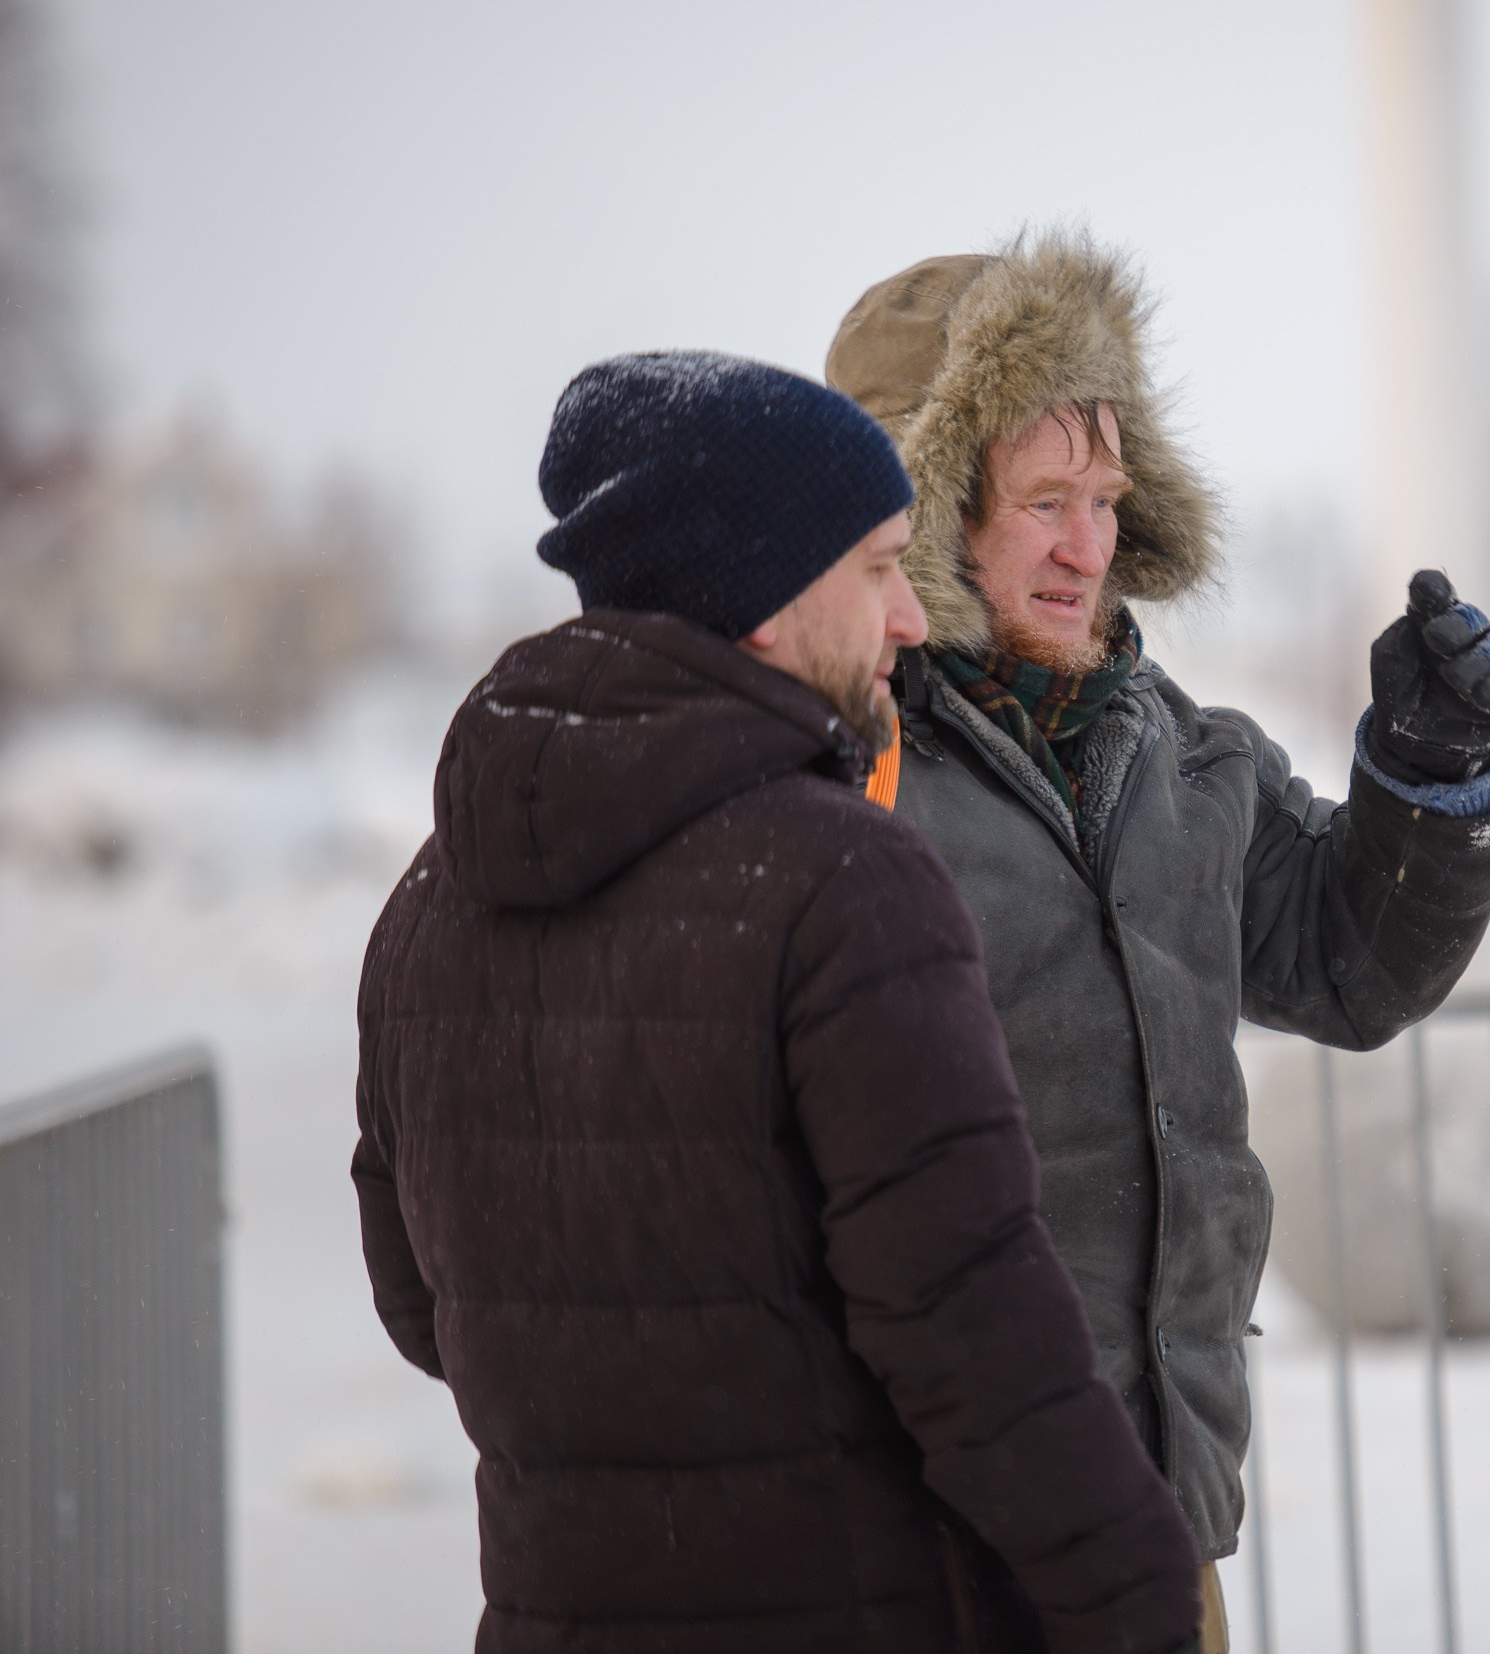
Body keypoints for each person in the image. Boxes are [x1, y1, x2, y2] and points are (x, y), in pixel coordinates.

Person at [352, 351, 1200, 1654]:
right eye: (876, 570)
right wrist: (1144, 1606)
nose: (909, 621)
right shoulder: (844, 884)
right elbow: (980, 1348)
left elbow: (424, 1308)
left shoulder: (427, 901)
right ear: (758, 596)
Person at [825, 237, 1490, 1641]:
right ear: (920, 496)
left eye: (1105, 494)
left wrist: (1428, 774)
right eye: (1042, 500)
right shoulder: (841, 771)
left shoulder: (1178, 756)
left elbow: (1349, 959)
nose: (1088, 546)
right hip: (919, 1533)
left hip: (1154, 1509)